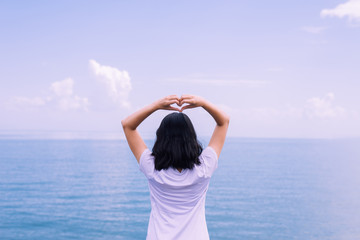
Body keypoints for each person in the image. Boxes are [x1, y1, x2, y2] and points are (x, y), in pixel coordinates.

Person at [121, 95, 229, 240]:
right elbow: (223, 122)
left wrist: (156, 105)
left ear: (161, 137)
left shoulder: (152, 167)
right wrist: (202, 103)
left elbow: (127, 125)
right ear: (191, 137)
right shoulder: (204, 167)